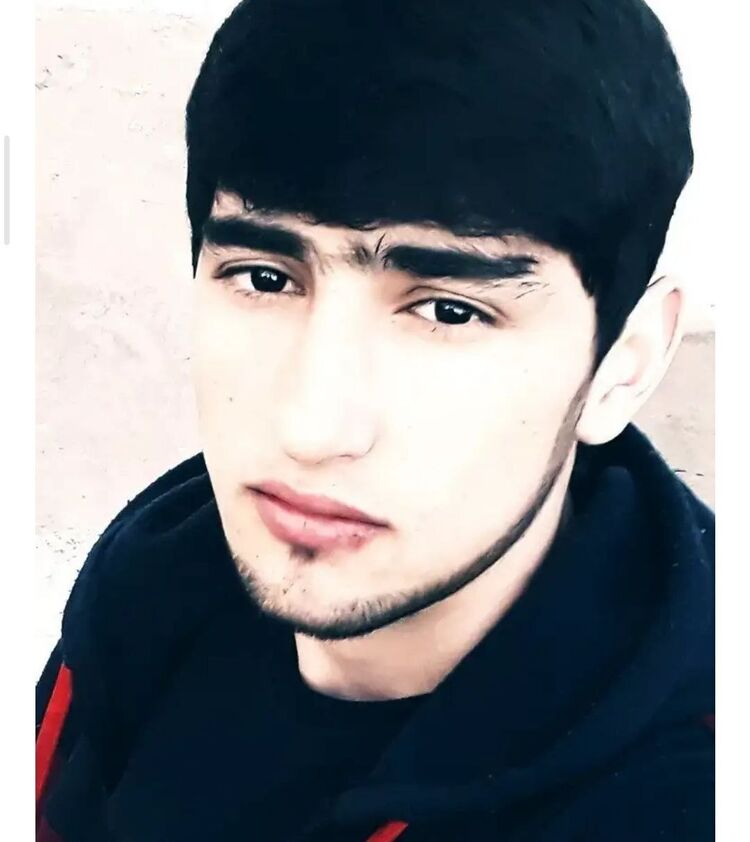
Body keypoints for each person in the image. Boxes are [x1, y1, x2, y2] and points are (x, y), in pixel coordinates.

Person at [35, 1, 714, 840]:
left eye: (450, 311)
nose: (311, 429)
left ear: (624, 366)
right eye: (265, 278)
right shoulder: (141, 605)